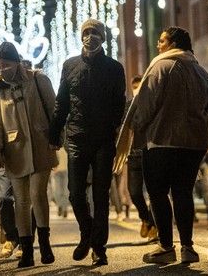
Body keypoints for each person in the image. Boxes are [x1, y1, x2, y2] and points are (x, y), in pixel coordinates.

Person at [127, 27, 208, 265]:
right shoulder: (199, 70)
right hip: (194, 143)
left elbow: (146, 104)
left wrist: (136, 128)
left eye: (162, 40)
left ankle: (166, 246)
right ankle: (187, 246)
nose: (159, 45)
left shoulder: (160, 66)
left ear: (173, 43)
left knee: (157, 193)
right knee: (183, 192)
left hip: (162, 140)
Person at [49, 19, 126, 266]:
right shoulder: (70, 66)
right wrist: (54, 132)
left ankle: (98, 248)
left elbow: (119, 103)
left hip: (104, 139)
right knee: (75, 192)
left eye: (95, 33)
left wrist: (114, 129)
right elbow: (62, 102)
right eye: (86, 32)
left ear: (103, 38)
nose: (90, 36)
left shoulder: (114, 68)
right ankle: (87, 234)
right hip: (76, 137)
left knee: (101, 194)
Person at [0, 42, 58, 267]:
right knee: (20, 201)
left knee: (38, 194)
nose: (2, 69)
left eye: (6, 64)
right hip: (15, 149)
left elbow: (53, 109)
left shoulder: (38, 79)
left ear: (17, 62)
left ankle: (45, 244)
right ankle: (27, 249)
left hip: (41, 145)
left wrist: (57, 137)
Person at [125, 75, 157, 241]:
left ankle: (154, 223)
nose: (136, 91)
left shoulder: (151, 105)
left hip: (150, 151)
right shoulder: (128, 106)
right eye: (134, 88)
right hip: (133, 154)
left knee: (154, 191)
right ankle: (146, 219)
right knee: (134, 192)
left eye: (140, 88)